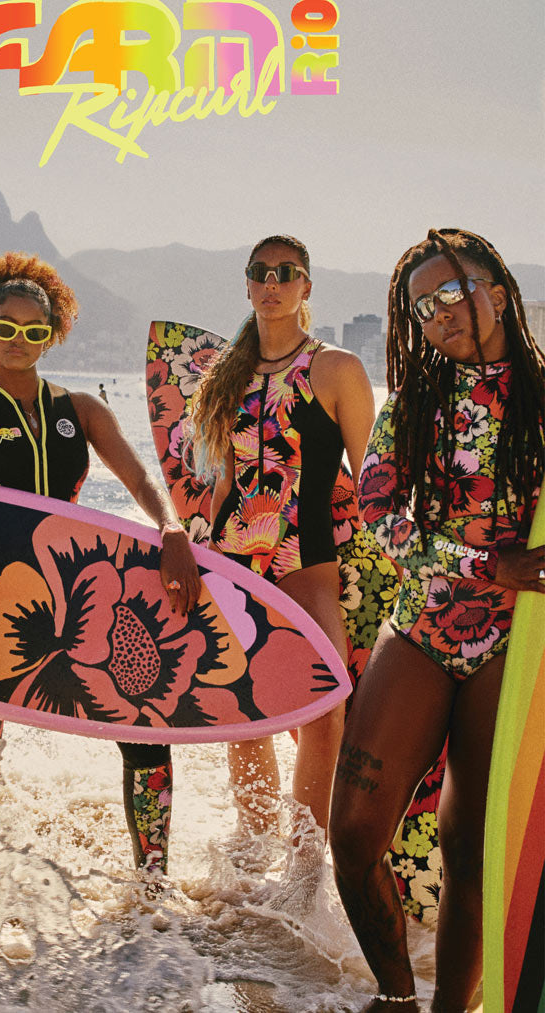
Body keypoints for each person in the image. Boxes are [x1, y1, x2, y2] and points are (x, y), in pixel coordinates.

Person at [0, 252, 200, 876]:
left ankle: (152, 890)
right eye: (5, 327)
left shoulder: (80, 410)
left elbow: (137, 477)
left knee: (145, 727)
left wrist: (171, 527)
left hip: (84, 600)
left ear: (53, 333)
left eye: (34, 330)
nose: (19, 341)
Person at [329, 229, 545, 1012]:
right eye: (423, 308)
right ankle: (396, 997)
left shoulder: (544, 394)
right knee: (353, 834)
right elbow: (381, 520)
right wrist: (491, 565)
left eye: (453, 292)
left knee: (472, 849)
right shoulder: (418, 402)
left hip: (513, 644)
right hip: (421, 628)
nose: (440, 315)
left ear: (498, 285)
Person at [188, 234, 375, 864]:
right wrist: (197, 552)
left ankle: (305, 863)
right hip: (235, 559)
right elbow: (221, 481)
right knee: (246, 706)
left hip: (311, 558)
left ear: (306, 286)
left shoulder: (337, 369)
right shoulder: (225, 376)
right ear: (246, 284)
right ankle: (251, 856)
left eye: (286, 272)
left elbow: (372, 477)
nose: (272, 282)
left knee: (324, 707)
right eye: (260, 272)